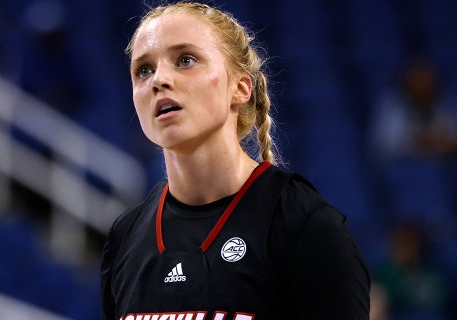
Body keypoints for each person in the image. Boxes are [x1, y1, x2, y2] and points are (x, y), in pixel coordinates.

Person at [100, 2, 370, 319]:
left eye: (185, 60)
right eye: (143, 70)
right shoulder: (125, 237)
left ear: (240, 88)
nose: (159, 80)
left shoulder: (303, 224)